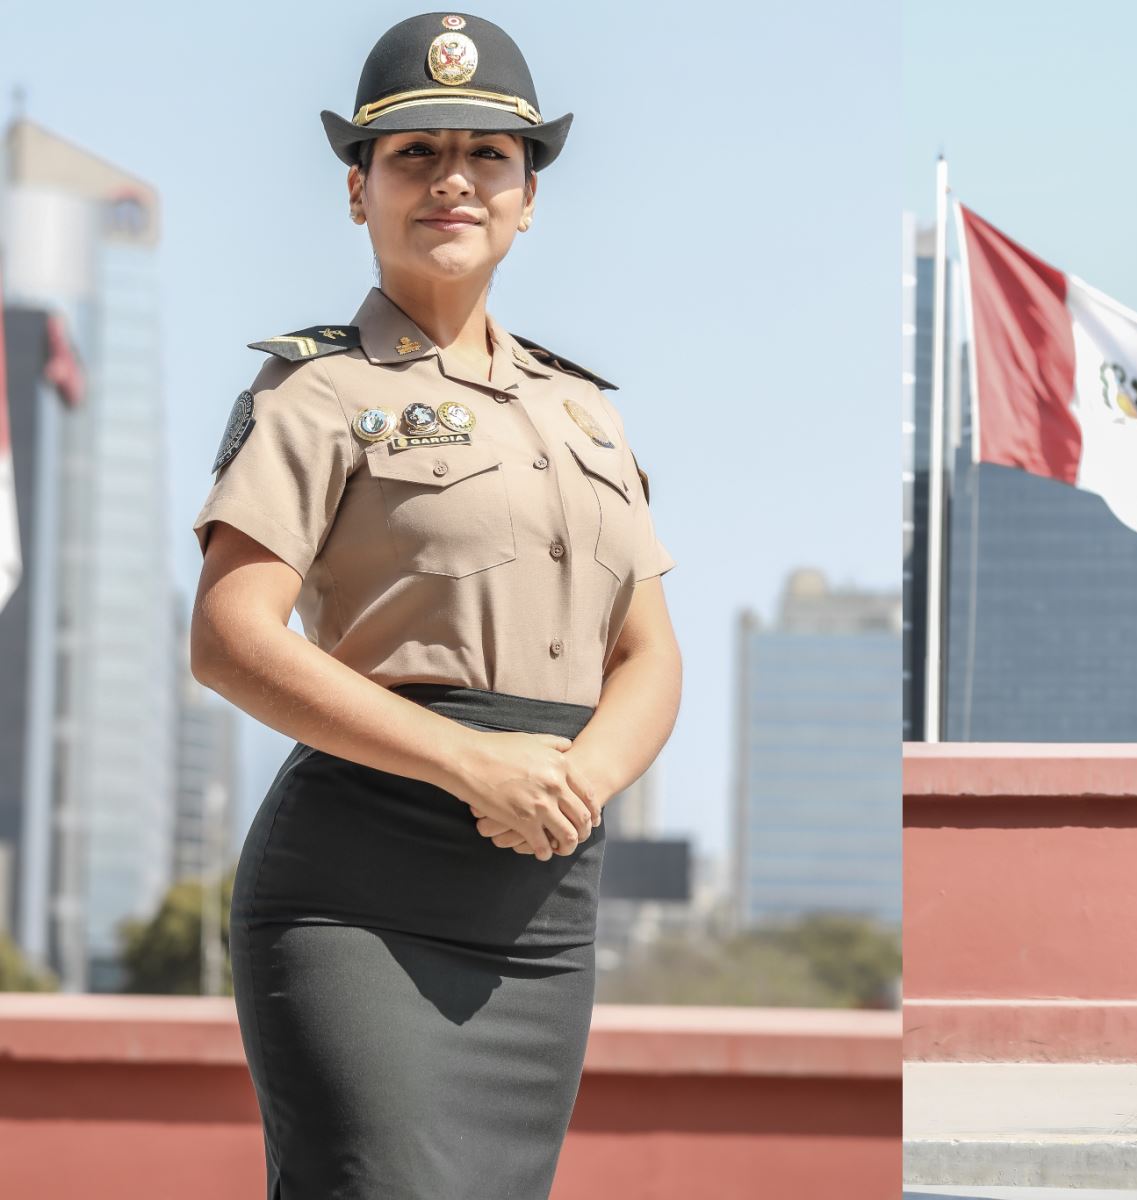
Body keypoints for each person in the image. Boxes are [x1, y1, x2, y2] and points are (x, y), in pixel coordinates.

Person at [188, 13, 681, 1198]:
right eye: (413, 155)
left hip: (541, 899)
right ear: (358, 192)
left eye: (485, 158)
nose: (451, 181)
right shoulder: (315, 389)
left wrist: (577, 784)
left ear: (526, 199)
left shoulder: (586, 414)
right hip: (362, 890)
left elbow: (648, 654)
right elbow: (228, 638)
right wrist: (477, 767)